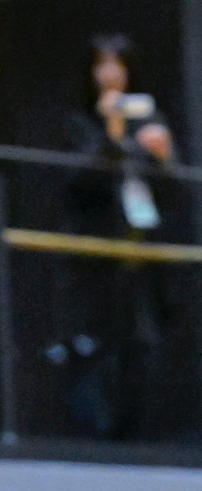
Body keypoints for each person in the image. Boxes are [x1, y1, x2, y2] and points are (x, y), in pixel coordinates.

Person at [56, 35, 179, 439]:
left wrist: (163, 157)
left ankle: (135, 437)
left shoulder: (147, 119)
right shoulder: (79, 124)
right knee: (96, 348)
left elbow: (171, 185)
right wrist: (112, 131)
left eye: (118, 64)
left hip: (142, 255)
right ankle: (97, 438)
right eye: (102, 64)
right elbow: (80, 180)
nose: (110, 73)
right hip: (96, 256)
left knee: (143, 347)